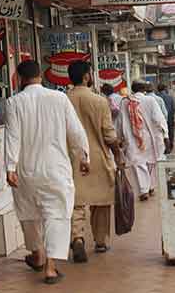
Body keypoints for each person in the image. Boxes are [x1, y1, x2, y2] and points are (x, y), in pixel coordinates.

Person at [5, 60, 90, 284]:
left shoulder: (14, 102)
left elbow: (12, 136)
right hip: (56, 169)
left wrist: (10, 167)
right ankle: (51, 267)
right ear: (40, 76)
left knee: (29, 214)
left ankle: (37, 254)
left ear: (20, 79)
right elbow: (76, 131)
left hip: (26, 170)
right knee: (57, 215)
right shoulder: (59, 98)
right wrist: (83, 156)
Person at [66, 62, 121, 262]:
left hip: (71, 158)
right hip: (97, 156)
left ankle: (77, 237)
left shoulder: (63, 100)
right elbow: (109, 134)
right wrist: (118, 154)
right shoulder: (99, 101)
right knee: (101, 202)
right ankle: (100, 240)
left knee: (75, 202)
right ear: (87, 77)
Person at [119, 81, 168, 201]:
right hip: (151, 137)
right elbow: (159, 119)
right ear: (144, 89)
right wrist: (165, 134)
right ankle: (150, 186)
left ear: (133, 89)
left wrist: (120, 137)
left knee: (138, 163)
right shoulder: (150, 100)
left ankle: (143, 190)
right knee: (151, 162)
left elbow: (120, 121)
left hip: (133, 137)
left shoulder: (125, 102)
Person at [157, 83, 175, 154]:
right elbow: (173, 108)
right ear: (165, 89)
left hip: (159, 119)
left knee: (161, 134)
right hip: (169, 118)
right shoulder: (170, 97)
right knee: (170, 133)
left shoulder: (155, 97)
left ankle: (163, 148)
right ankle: (170, 147)